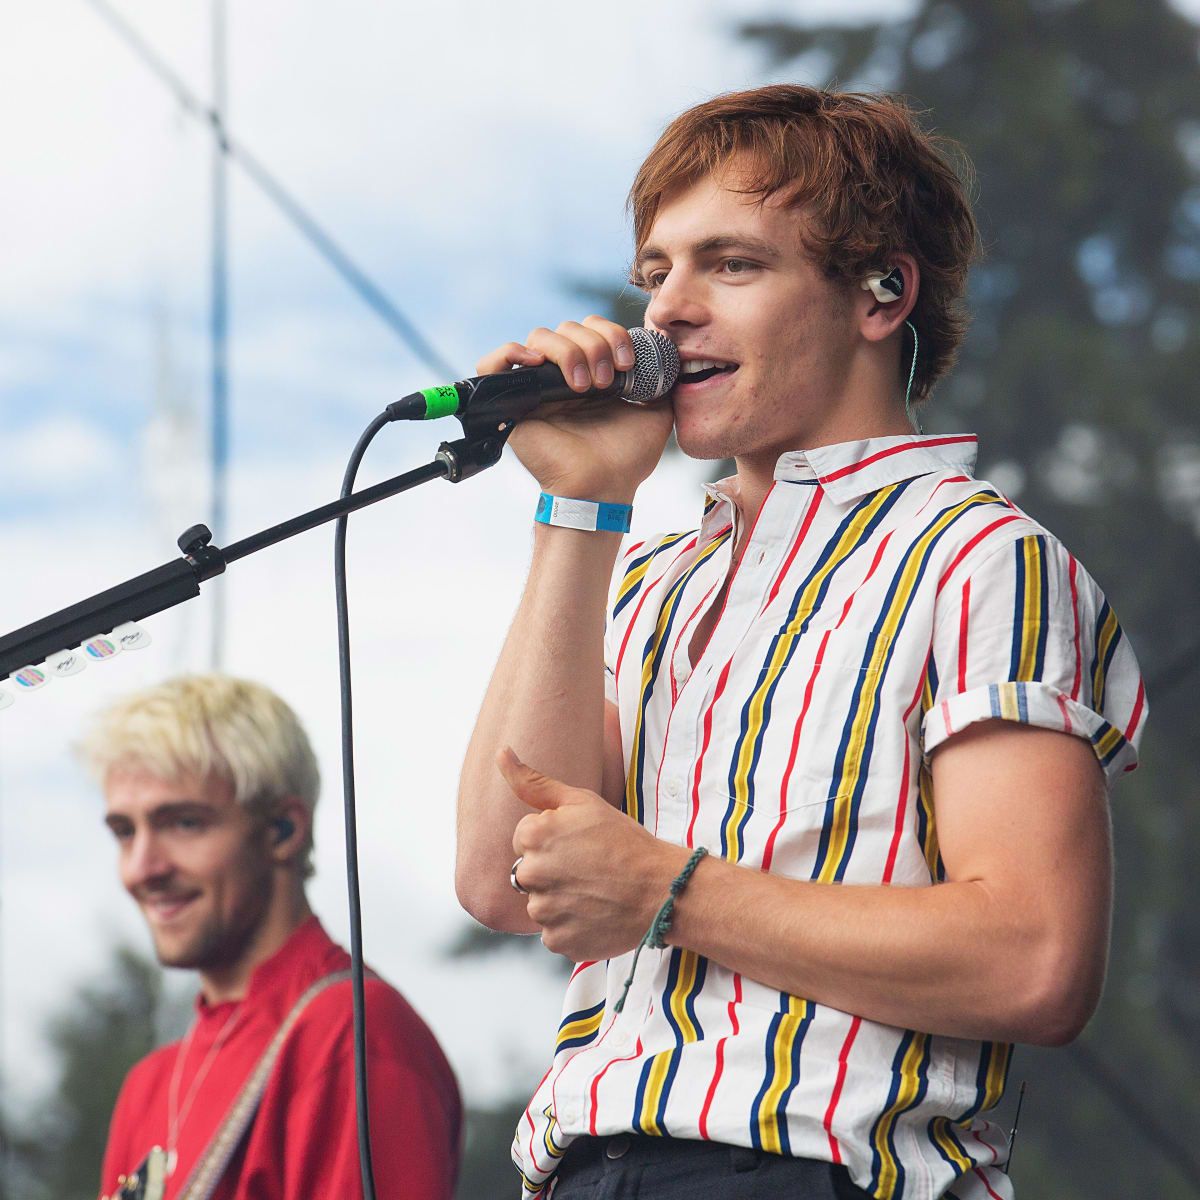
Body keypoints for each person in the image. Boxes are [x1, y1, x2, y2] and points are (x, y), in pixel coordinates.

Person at [456, 85, 1147, 1200]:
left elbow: (1036, 959)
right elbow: (500, 877)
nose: (666, 314)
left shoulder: (979, 559)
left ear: (882, 294)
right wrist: (582, 505)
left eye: (729, 264)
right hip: (582, 1170)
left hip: (810, 1173)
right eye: (655, 273)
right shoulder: (656, 581)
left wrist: (671, 890)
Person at [83, 674, 461, 1200]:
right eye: (125, 832)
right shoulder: (148, 1085)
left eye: (184, 823)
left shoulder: (354, 1033)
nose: (142, 868)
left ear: (283, 830)